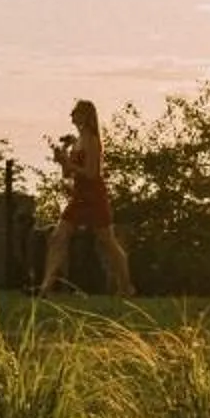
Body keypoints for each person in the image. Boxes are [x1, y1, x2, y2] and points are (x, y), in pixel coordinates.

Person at [37, 99, 133, 298]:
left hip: (94, 195)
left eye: (75, 112)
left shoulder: (92, 140)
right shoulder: (77, 141)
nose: (71, 116)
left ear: (85, 116)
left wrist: (67, 163)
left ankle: (126, 286)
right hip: (78, 196)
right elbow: (67, 174)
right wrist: (62, 157)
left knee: (107, 241)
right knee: (58, 237)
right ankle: (45, 287)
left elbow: (91, 173)